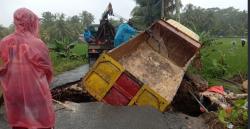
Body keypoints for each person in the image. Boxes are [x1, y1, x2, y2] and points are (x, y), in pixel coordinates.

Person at [0, 8, 55, 129]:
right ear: (31, 21)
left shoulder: (4, 42)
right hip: (35, 92)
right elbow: (48, 71)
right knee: (40, 123)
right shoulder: (38, 43)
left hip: (13, 91)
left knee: (19, 122)